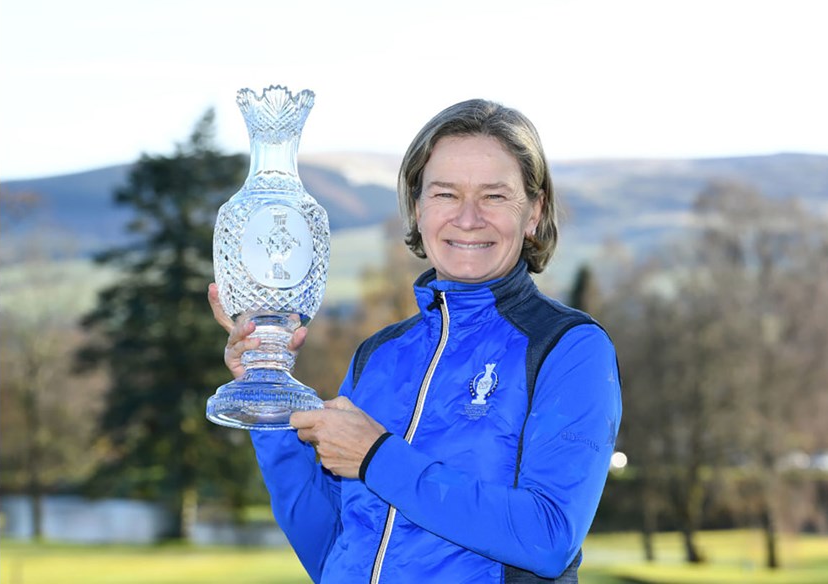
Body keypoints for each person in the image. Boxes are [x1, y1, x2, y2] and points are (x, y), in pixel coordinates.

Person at [208, 99, 622, 583]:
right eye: (445, 194)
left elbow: (549, 537)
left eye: (494, 196)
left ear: (534, 213)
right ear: (417, 208)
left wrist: (379, 456)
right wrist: (268, 389)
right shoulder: (377, 356)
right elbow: (330, 551)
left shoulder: (569, 349)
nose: (468, 219)